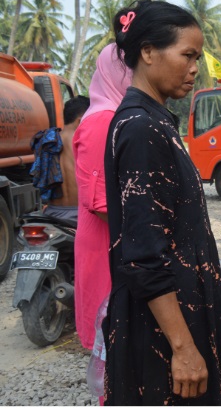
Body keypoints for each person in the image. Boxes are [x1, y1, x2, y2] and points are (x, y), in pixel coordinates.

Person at [103, 0, 221, 404]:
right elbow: (143, 254)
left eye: (198, 57)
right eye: (187, 55)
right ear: (147, 52)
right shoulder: (141, 128)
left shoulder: (156, 120)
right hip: (161, 333)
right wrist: (183, 348)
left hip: (179, 316)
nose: (196, 68)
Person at [72, 44, 132, 350]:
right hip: (105, 249)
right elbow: (101, 204)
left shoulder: (115, 116)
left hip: (114, 247)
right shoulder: (102, 121)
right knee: (113, 350)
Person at [33, 96, 90, 223]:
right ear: (80, 120)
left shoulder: (47, 141)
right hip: (81, 215)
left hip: (53, 212)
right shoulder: (84, 140)